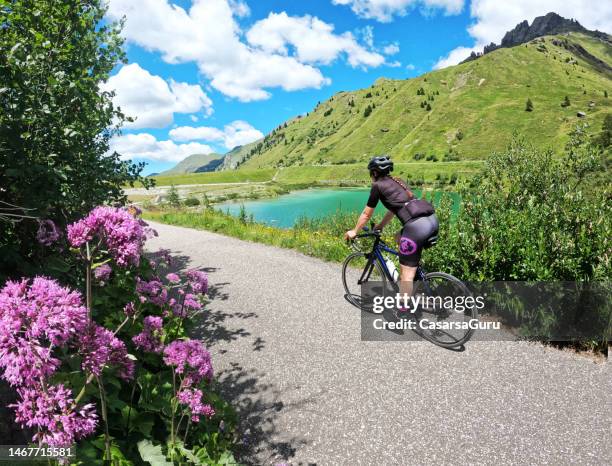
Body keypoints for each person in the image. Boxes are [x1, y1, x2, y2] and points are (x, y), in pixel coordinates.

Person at [343, 155, 439, 311]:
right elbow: (394, 209)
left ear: (374, 173)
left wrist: (354, 231)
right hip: (431, 220)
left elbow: (366, 214)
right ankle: (414, 272)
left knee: (405, 275)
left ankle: (403, 311)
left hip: (416, 228)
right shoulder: (398, 181)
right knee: (398, 238)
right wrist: (380, 225)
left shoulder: (377, 186)